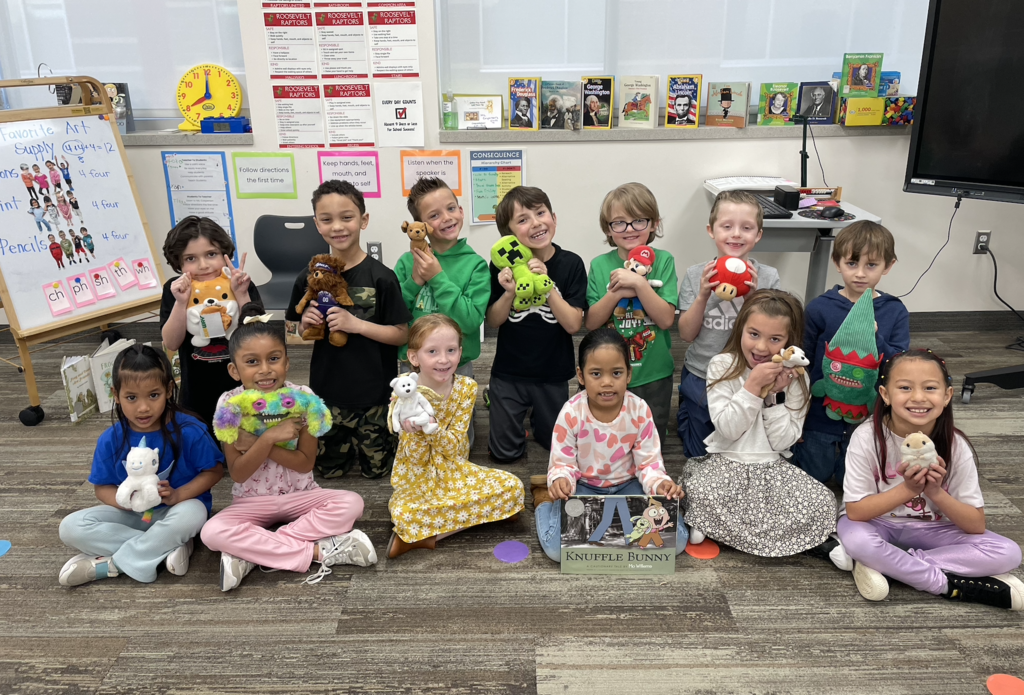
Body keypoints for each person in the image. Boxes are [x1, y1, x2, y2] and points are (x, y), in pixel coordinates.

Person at [201, 302, 376, 591]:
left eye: (274, 358)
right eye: (252, 362)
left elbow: (305, 463)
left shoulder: (304, 397)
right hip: (250, 502)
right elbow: (239, 473)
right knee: (211, 532)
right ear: (234, 370)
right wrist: (271, 436)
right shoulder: (228, 405)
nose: (265, 370)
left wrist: (258, 443)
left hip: (302, 495)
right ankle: (319, 551)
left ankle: (253, 553)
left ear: (286, 362)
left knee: (352, 503)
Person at [839, 350, 1024, 609]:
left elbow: (975, 524)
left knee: (1008, 552)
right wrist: (908, 489)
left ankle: (888, 564)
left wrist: (936, 492)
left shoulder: (956, 445)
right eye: (905, 387)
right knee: (856, 538)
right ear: (885, 394)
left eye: (930, 388)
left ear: (947, 396)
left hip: (934, 529)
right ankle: (947, 585)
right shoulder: (866, 437)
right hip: (878, 524)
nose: (918, 397)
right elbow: (856, 512)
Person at [681, 290, 845, 564]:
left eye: (775, 339)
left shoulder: (797, 379)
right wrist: (752, 387)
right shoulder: (722, 365)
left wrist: (774, 397)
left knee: (823, 501)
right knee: (698, 489)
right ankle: (786, 537)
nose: (760, 347)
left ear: (789, 343)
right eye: (753, 334)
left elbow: (783, 442)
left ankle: (718, 528)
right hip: (725, 464)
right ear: (740, 330)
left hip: (772, 469)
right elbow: (728, 430)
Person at [57, 345, 224, 586]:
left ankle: (113, 565)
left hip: (177, 510)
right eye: (131, 397)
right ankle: (165, 547)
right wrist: (124, 502)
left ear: (168, 390)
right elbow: (101, 488)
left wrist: (178, 495)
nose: (143, 407)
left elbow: (214, 471)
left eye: (153, 395)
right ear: (116, 394)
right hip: (136, 515)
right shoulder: (110, 439)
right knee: (70, 528)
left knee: (194, 513)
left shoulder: (190, 431)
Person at [287, 180, 412, 479]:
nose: (338, 227)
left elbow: (402, 334)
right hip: (327, 394)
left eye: (347, 217)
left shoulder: (382, 277)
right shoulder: (309, 278)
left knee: (379, 472)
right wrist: (305, 325)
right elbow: (291, 332)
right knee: (329, 472)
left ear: (363, 220)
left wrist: (356, 325)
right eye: (327, 219)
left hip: (374, 396)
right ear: (317, 224)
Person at [531, 328, 685, 562]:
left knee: (677, 543)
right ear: (581, 376)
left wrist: (661, 484)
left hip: (629, 486)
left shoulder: (640, 410)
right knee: (556, 549)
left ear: (628, 375)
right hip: (583, 486)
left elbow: (649, 464)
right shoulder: (571, 412)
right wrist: (561, 480)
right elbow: (562, 462)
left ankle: (604, 520)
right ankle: (544, 505)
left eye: (616, 373)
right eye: (596, 374)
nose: (606, 383)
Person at [387, 314, 524, 558]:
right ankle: (482, 517)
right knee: (404, 512)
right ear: (413, 357)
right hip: (418, 478)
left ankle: (425, 536)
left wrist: (431, 427)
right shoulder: (405, 393)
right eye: (432, 352)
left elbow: (456, 448)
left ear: (460, 353)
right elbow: (415, 459)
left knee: (513, 486)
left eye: (451, 350)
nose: (443, 359)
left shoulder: (466, 387)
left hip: (456, 471)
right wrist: (415, 432)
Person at [792, 221, 909, 485]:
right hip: (821, 414)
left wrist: (875, 338)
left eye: (871, 265)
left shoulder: (894, 311)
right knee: (815, 475)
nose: (860, 273)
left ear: (888, 266)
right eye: (852, 263)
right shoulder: (820, 307)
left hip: (867, 417)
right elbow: (804, 359)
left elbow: (901, 364)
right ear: (837, 262)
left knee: (853, 480)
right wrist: (798, 411)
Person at [486, 186, 587, 463]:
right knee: (504, 454)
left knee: (551, 443)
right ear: (509, 235)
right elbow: (494, 321)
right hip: (508, 372)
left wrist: (549, 286)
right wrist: (508, 291)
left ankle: (535, 416)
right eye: (522, 219)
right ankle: (495, 400)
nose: (536, 223)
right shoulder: (500, 267)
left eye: (540, 213)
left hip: (552, 373)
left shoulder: (571, 264)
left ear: (553, 217)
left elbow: (573, 325)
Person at [677, 190, 781, 457]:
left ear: (758, 235)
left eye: (746, 228)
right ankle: (687, 411)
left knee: (743, 444)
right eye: (727, 226)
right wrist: (703, 295)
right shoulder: (695, 274)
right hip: (701, 372)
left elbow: (773, 334)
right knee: (699, 453)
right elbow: (687, 334)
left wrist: (755, 299)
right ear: (712, 231)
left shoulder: (768, 277)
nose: (736, 234)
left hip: (747, 374)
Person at [395, 177, 489, 447]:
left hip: (457, 366)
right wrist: (414, 281)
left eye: (451, 208)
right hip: (411, 366)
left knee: (456, 432)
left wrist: (437, 277)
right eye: (434, 215)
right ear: (421, 226)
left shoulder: (475, 265)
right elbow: (394, 315)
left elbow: (470, 321)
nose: (446, 218)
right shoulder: (406, 262)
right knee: (412, 428)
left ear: (461, 211)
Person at [585, 183, 678, 439]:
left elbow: (666, 318)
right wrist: (617, 291)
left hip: (654, 370)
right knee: (608, 434)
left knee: (651, 436)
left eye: (639, 221)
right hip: (609, 371)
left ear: (654, 224)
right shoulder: (600, 264)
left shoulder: (664, 260)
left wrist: (638, 284)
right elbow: (592, 322)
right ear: (608, 228)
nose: (629, 229)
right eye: (619, 223)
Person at [160, 216, 257, 429]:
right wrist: (180, 302)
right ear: (178, 262)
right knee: (203, 447)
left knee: (244, 441)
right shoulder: (174, 289)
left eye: (211, 254)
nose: (203, 265)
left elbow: (258, 335)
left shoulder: (240, 283)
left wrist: (241, 295)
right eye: (191, 259)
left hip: (243, 385)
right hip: (196, 388)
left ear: (225, 254)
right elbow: (171, 342)